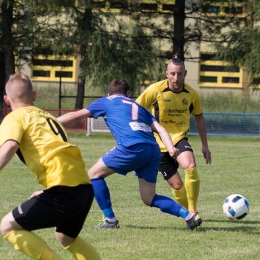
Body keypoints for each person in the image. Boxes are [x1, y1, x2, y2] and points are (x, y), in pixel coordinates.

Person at [57, 78, 202, 231]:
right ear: (128, 93)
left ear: (109, 93)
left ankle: (110, 220)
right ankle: (189, 216)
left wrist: (49, 123)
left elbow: (75, 116)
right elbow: (160, 129)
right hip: (153, 150)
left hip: (131, 146)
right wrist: (170, 147)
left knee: (93, 175)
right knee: (149, 197)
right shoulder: (139, 107)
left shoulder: (107, 101)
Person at [0, 73, 101, 260]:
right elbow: (58, 156)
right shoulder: (49, 118)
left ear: (7, 100)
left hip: (64, 191)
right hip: (84, 189)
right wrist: (48, 191)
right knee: (65, 236)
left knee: (7, 226)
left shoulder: (14, 118)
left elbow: (10, 146)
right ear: (35, 96)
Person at [135, 55, 211, 213]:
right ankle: (187, 213)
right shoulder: (154, 90)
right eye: (173, 74)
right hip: (157, 144)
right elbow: (135, 109)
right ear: (167, 74)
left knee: (190, 166)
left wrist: (205, 145)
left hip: (178, 138)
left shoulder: (191, 94)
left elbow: (199, 117)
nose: (176, 78)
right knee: (177, 186)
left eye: (180, 73)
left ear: (185, 73)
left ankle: (193, 210)